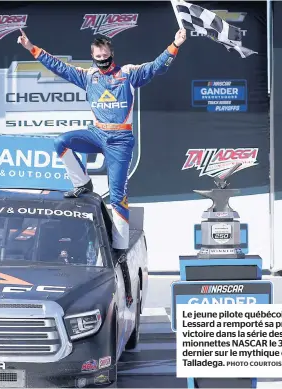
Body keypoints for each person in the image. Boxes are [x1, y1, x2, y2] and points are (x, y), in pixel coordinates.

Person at [18, 29, 186, 307]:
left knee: (118, 193)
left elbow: (157, 67)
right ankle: (82, 183)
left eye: (106, 59)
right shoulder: (88, 76)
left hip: (120, 139)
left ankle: (119, 249)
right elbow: (57, 66)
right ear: (93, 58)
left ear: (112, 56)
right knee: (61, 142)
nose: (102, 64)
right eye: (98, 59)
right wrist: (31, 47)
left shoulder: (128, 74)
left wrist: (175, 44)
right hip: (97, 134)